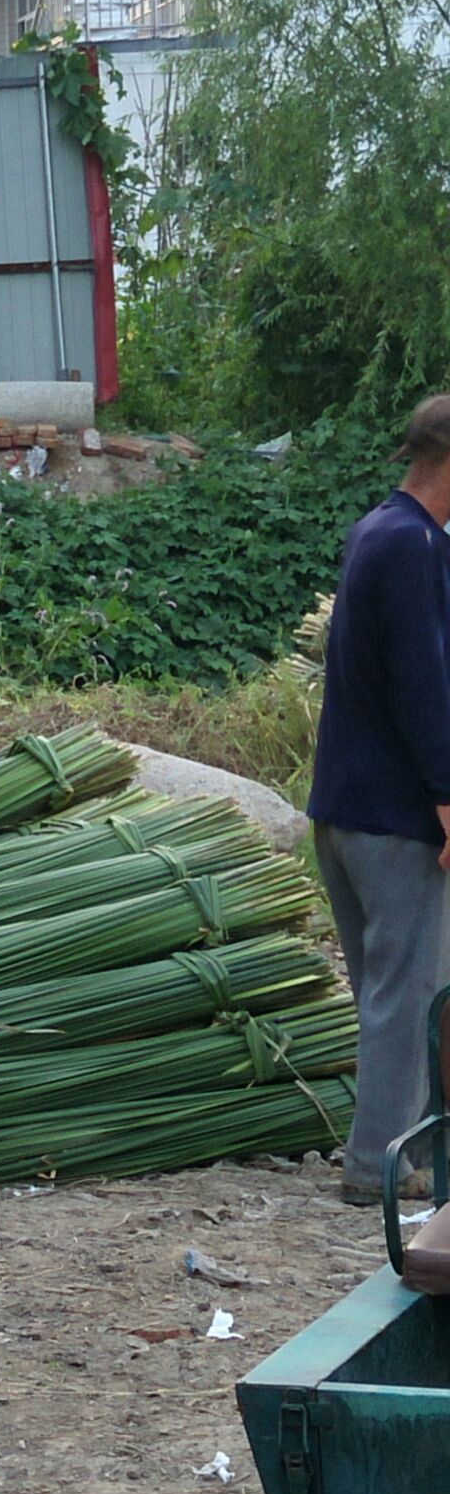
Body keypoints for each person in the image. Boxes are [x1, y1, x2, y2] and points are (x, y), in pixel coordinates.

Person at [309, 394, 450, 1206]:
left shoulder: (379, 529)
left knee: (385, 995)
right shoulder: (414, 548)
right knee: (409, 999)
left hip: (346, 808)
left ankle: (403, 1147)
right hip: (397, 818)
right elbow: (424, 689)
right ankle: (377, 1167)